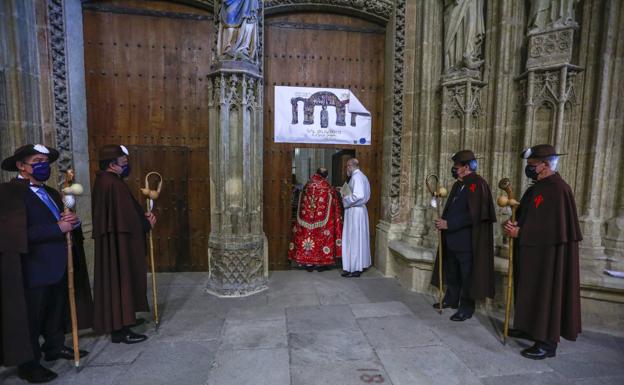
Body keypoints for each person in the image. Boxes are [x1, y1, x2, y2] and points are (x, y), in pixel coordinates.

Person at [0, 144, 92, 383]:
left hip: (59, 263)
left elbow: (62, 220)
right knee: (31, 315)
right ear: (21, 166)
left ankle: (54, 345)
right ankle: (29, 363)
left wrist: (73, 222)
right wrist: (56, 228)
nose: (44, 166)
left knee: (55, 309)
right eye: (38, 161)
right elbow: (13, 233)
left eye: (46, 162)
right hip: (33, 266)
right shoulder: (9, 193)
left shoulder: (51, 192)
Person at [503, 144, 582, 359]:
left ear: (545, 165)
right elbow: (529, 217)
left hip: (548, 259)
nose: (528, 169)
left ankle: (546, 344)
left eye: (532, 165)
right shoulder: (536, 187)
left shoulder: (559, 189)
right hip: (531, 253)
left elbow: (555, 230)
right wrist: (512, 223)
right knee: (528, 291)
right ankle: (529, 328)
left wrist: (522, 233)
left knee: (545, 294)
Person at [92, 145, 156, 344]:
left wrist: (140, 215)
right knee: (121, 280)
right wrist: (146, 223)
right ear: (112, 165)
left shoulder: (106, 181)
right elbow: (125, 219)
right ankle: (120, 329)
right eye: (124, 164)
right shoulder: (113, 184)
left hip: (117, 242)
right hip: (119, 244)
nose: (127, 167)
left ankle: (123, 318)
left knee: (120, 281)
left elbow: (123, 213)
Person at [431, 150, 496, 321]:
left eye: (456, 166)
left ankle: (466, 308)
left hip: (466, 240)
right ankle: (451, 299)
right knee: (452, 271)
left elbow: (475, 214)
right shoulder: (459, 184)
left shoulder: (477, 183)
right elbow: (454, 208)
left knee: (467, 274)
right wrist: (442, 220)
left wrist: (449, 224)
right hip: (451, 238)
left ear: (466, 167)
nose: (454, 169)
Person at [289, 167, 342, 272]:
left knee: (307, 237)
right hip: (322, 220)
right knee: (320, 237)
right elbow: (334, 201)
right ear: (326, 176)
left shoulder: (307, 185)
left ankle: (308, 263)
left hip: (305, 219)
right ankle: (320, 263)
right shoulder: (327, 187)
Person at [341, 158, 371, 278]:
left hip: (355, 211)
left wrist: (345, 198)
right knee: (357, 238)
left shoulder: (357, 177)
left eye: (347, 167)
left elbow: (359, 196)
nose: (346, 170)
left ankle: (355, 268)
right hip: (358, 210)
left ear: (350, 166)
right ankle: (355, 266)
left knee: (354, 239)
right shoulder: (362, 176)